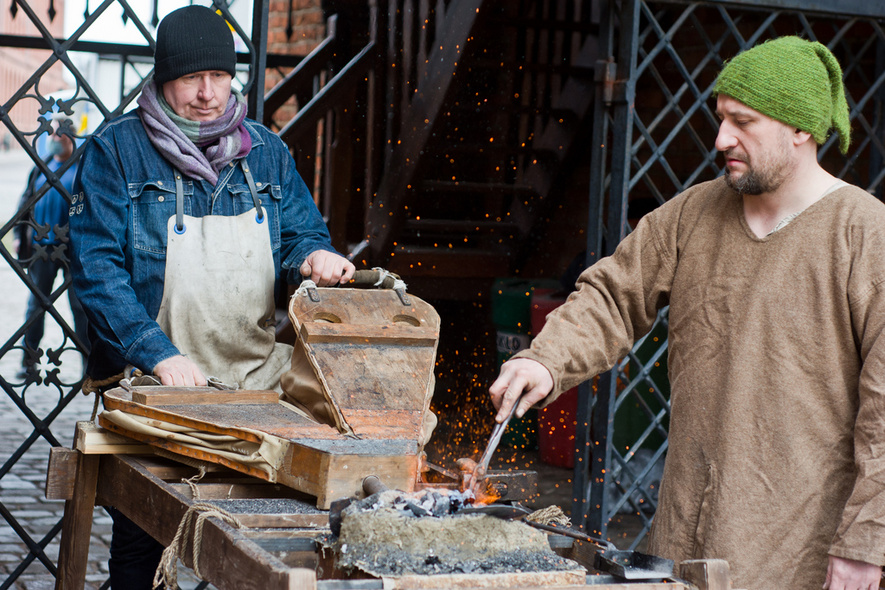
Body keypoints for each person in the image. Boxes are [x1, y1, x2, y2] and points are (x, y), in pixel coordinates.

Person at [489, 36, 885, 590]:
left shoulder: (866, 235)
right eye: (721, 118)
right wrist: (546, 361)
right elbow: (612, 296)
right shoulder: (692, 215)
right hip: (682, 542)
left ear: (800, 130)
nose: (722, 138)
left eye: (743, 121)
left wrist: (868, 541)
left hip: (800, 556)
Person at [69, 5, 354, 588]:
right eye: (190, 79)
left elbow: (299, 235)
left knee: (266, 547)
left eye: (219, 77)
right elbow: (96, 271)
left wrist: (312, 259)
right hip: (156, 393)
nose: (207, 94)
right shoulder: (116, 153)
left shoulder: (267, 153)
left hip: (254, 388)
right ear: (162, 78)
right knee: (141, 546)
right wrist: (157, 352)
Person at [16, 125, 89, 378]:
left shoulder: (81, 168)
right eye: (53, 135)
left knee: (81, 308)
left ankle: (89, 368)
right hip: (41, 248)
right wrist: (19, 236)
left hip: (71, 249)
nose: (55, 140)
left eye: (61, 136)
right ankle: (28, 361)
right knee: (36, 306)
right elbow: (25, 203)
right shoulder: (41, 166)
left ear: (71, 140)